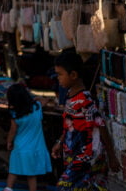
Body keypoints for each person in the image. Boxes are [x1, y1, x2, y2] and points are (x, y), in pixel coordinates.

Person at [50, 50, 119, 191]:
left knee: (64, 187)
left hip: (86, 156)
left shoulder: (85, 100)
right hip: (75, 154)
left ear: (73, 75)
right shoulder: (71, 96)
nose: (58, 78)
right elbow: (70, 125)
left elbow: (101, 125)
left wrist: (112, 157)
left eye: (60, 74)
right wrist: (60, 142)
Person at [4, 83, 51, 191]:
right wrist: (39, 98)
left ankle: (8, 188)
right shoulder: (37, 107)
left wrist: (9, 142)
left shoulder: (15, 113)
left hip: (20, 147)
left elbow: (12, 131)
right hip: (35, 148)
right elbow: (46, 100)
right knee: (31, 174)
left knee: (13, 170)